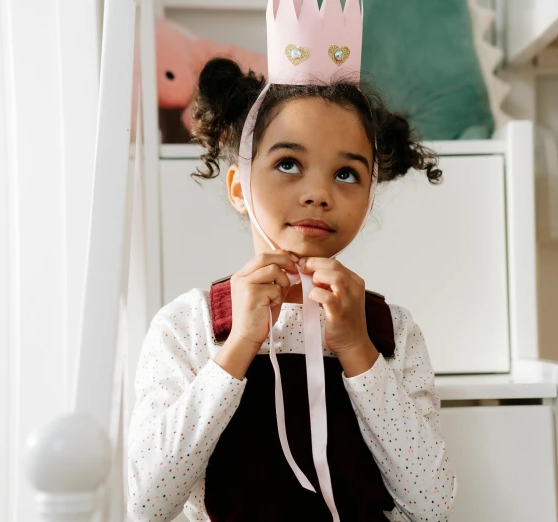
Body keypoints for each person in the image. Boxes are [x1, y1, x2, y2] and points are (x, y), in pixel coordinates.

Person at [128, 2, 456, 520]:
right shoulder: (186, 330)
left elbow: (432, 503)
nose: (318, 193)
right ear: (239, 187)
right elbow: (147, 501)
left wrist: (355, 346)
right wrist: (237, 347)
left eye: (346, 174)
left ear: (370, 194)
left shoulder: (393, 332)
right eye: (288, 164)